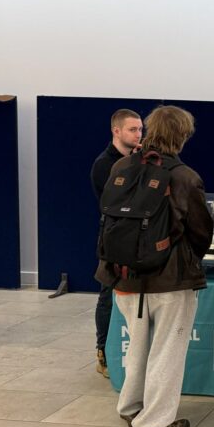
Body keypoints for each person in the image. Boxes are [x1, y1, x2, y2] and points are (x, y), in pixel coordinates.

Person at [96, 105, 213, 427]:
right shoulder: (185, 177)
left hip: (123, 275)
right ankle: (155, 424)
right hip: (169, 280)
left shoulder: (121, 167)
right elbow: (201, 233)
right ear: (183, 136)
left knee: (137, 345)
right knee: (166, 351)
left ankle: (131, 407)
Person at [89, 108, 143, 378]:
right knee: (108, 293)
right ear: (116, 131)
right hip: (114, 239)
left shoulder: (140, 159)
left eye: (140, 129)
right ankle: (103, 353)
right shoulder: (104, 165)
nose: (138, 134)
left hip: (139, 238)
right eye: (133, 129)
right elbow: (117, 202)